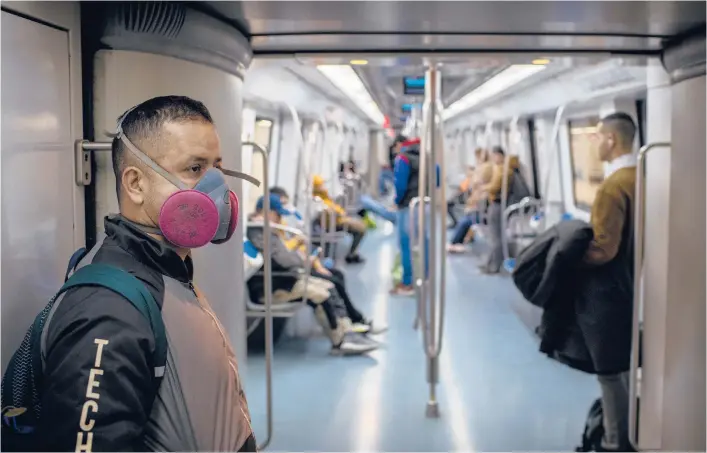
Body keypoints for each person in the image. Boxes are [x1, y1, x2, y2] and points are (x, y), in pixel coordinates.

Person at [36, 96, 256, 451]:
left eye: (217, 167)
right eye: (195, 169)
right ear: (136, 184)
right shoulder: (107, 311)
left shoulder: (165, 271)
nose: (216, 187)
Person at [246, 194, 378, 355]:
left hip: (285, 279)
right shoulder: (259, 233)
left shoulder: (268, 231)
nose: (280, 219)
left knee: (329, 286)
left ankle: (347, 332)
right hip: (273, 286)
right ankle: (340, 340)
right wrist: (300, 259)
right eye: (277, 214)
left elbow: (287, 258)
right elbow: (283, 261)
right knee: (322, 294)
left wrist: (297, 258)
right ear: (266, 212)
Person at [582, 112, 638, 452]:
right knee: (629, 364)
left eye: (598, 136)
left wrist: (569, 258)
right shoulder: (643, 175)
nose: (595, 144)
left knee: (609, 370)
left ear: (611, 140)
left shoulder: (612, 187)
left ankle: (614, 441)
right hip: (637, 284)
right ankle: (633, 430)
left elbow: (603, 249)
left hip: (613, 291)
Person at [267, 189, 388, 335]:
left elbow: (300, 250)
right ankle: (347, 328)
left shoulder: (282, 226)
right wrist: (299, 248)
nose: (282, 215)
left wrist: (315, 263)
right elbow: (284, 256)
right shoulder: (267, 232)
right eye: (279, 211)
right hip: (292, 272)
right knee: (332, 281)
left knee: (337, 275)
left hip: (300, 265)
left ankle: (355, 320)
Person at [390, 137, 439, 296]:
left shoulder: (403, 159)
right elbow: (436, 181)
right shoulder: (429, 158)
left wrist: (397, 201)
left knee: (406, 244)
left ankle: (408, 283)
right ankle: (425, 278)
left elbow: (400, 184)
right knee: (424, 241)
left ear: (400, 145)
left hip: (409, 206)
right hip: (426, 204)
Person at [479, 146, 519, 274]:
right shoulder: (503, 169)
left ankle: (494, 266)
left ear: (500, 156)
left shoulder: (503, 170)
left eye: (495, 156)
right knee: (496, 235)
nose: (493, 158)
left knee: (496, 236)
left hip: (498, 204)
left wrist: (484, 188)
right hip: (498, 204)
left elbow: (495, 187)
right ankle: (490, 263)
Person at [312, 175, 367, 263]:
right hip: (333, 223)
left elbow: (332, 206)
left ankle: (352, 253)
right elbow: (329, 211)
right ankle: (351, 254)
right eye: (321, 185)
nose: (323, 186)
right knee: (360, 229)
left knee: (360, 224)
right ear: (316, 187)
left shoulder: (324, 194)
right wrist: (339, 212)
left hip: (337, 219)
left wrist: (339, 211)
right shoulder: (318, 199)